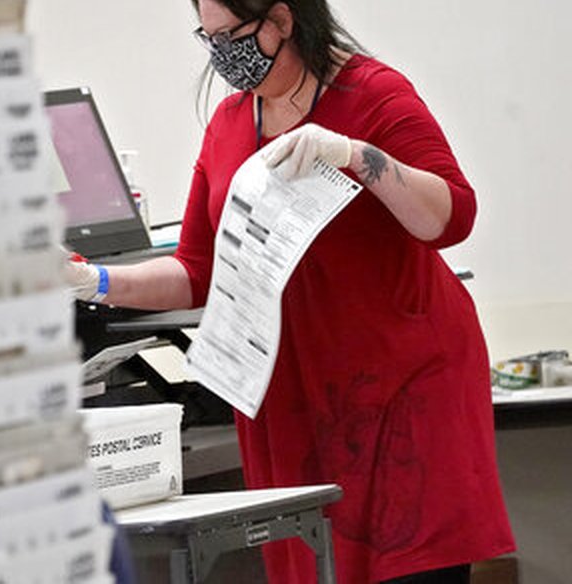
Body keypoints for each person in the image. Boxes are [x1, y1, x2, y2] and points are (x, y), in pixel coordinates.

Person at [64, 0, 516, 582]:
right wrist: (93, 281)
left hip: (401, 386)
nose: (222, 52)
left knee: (408, 563)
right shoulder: (229, 124)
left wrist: (355, 156)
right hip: (295, 396)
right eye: (210, 36)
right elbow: (198, 271)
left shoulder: (372, 94)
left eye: (234, 33)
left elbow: (451, 218)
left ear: (281, 19)